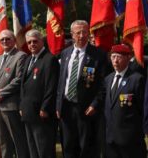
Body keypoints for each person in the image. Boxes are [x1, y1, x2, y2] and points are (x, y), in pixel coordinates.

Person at [56, 20, 109, 158]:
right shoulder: (65, 53)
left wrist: (95, 104)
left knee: (86, 147)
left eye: (85, 32)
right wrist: (58, 105)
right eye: (78, 32)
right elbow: (62, 81)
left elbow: (103, 84)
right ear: (72, 35)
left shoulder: (98, 55)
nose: (81, 35)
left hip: (86, 109)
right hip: (66, 107)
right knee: (68, 146)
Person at [0, 29, 29, 158]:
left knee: (18, 140)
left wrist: (1, 93)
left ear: (14, 40)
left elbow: (19, 79)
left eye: (8, 39)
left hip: (11, 106)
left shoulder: (20, 56)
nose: (5, 41)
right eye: (2, 39)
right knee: (4, 141)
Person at [20, 29, 59, 158]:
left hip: (41, 114)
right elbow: (23, 85)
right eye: (29, 42)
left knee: (44, 149)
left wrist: (45, 107)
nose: (32, 44)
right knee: (33, 149)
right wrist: (21, 105)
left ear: (42, 41)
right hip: (28, 111)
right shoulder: (27, 59)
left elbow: (51, 86)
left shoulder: (49, 59)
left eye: (35, 41)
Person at [105, 44, 146, 157]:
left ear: (128, 58)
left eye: (119, 57)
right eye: (113, 57)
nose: (115, 61)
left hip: (130, 139)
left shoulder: (137, 79)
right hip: (111, 139)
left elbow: (142, 108)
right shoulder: (108, 79)